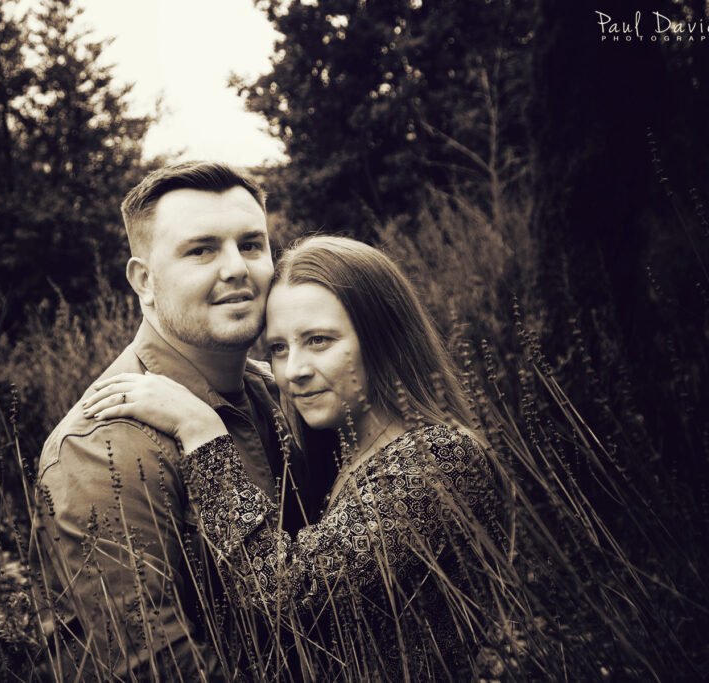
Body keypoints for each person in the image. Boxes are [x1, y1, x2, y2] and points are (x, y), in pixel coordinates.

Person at [82, 235, 507, 680]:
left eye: (319, 340)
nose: (294, 371)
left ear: (385, 339)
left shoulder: (440, 457)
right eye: (279, 349)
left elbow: (287, 594)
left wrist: (202, 431)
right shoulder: (337, 453)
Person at [35, 162, 316, 679]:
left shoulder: (279, 392)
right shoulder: (103, 446)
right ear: (144, 280)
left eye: (252, 245)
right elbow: (154, 666)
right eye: (201, 250)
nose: (237, 268)